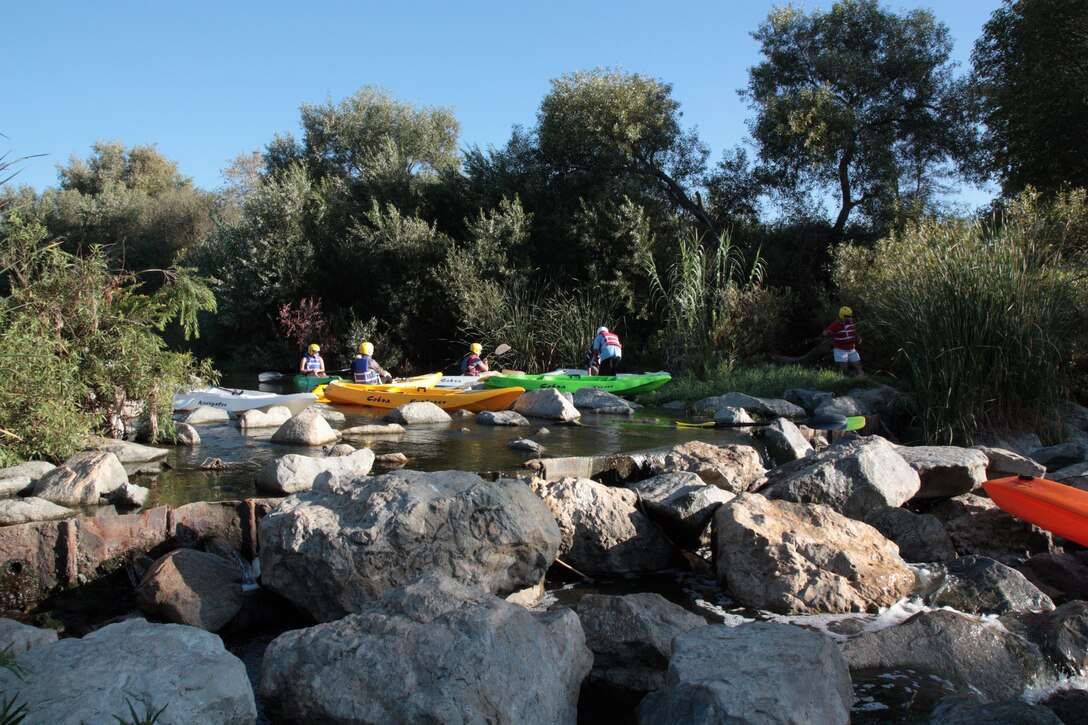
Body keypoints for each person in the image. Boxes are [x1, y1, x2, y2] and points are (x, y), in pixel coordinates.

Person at [823, 306, 864, 377]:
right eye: (847, 316)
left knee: (859, 365)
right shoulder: (835, 324)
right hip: (840, 349)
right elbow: (825, 332)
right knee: (844, 369)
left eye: (850, 316)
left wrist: (858, 337)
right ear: (842, 315)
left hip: (851, 349)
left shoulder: (851, 323)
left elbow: (853, 331)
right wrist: (827, 333)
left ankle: (862, 380)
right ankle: (837, 378)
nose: (849, 317)